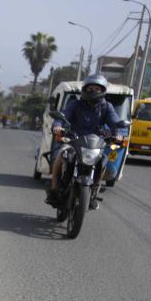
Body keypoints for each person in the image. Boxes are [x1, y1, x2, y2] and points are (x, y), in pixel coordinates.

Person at [47, 74, 123, 208]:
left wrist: (118, 134)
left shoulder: (107, 107)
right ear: (84, 89)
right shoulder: (76, 104)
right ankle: (53, 190)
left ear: (103, 91)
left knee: (103, 162)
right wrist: (57, 125)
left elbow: (115, 122)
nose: (93, 91)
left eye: (97, 89)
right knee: (60, 156)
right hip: (73, 140)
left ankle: (93, 192)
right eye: (90, 88)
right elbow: (63, 116)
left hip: (95, 144)